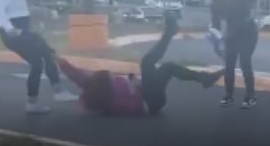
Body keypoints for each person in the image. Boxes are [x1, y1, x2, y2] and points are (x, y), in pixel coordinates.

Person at [57, 13, 225, 116]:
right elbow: (133, 107)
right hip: (151, 101)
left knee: (161, 65)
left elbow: (76, 76)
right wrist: (135, 88)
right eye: (108, 76)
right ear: (101, 85)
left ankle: (203, 77)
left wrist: (58, 60)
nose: (110, 75)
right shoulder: (110, 101)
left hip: (147, 92)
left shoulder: (101, 87)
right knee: (156, 65)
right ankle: (170, 33)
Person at [0, 0, 77, 113]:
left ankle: (32, 103)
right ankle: (58, 91)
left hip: (19, 31)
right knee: (46, 51)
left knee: (37, 63)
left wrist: (46, 12)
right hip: (15, 32)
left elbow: (24, 10)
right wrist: (10, 28)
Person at [211, 0, 259, 109]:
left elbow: (243, 13)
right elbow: (215, 24)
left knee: (245, 62)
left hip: (247, 31)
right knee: (229, 64)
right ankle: (228, 95)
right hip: (233, 31)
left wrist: (227, 36)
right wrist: (217, 40)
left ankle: (251, 97)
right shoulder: (218, 0)